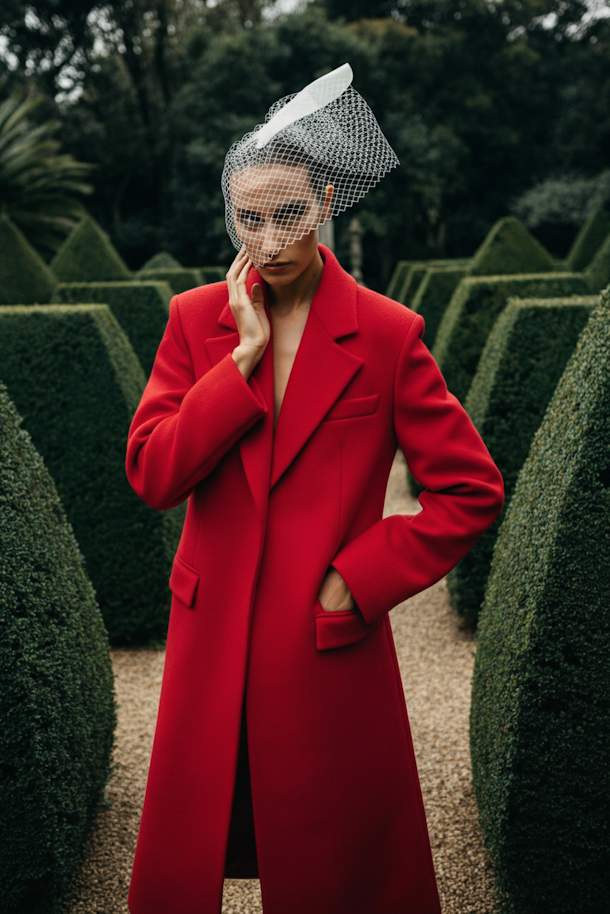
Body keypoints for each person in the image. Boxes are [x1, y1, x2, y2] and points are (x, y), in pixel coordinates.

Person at [126, 64, 504, 914]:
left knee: (335, 868)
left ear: (328, 201)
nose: (268, 241)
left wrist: (361, 578)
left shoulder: (388, 333)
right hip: (210, 635)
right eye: (249, 219)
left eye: (290, 214)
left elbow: (470, 489)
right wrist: (240, 362)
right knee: (196, 849)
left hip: (325, 639)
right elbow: (153, 474)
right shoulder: (193, 320)